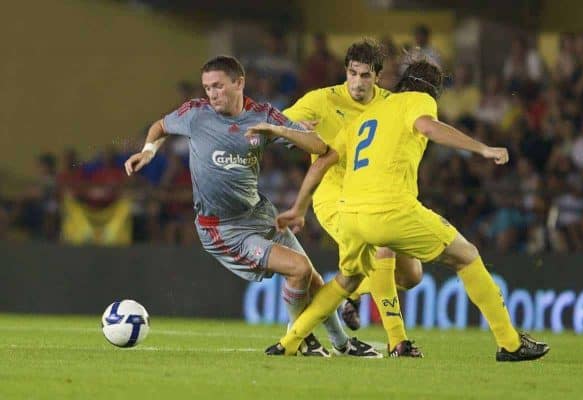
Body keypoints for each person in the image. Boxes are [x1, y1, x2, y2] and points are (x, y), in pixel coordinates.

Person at [266, 54, 550, 361]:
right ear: (432, 89)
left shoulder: (367, 115)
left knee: (351, 280)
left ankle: (290, 340)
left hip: (351, 213)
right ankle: (509, 343)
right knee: (467, 256)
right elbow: (428, 127)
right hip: (389, 210)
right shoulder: (419, 100)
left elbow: (324, 159)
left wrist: (298, 206)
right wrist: (482, 148)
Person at [124, 55, 380, 358]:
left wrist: (282, 131)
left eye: (218, 86)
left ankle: (342, 344)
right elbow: (160, 126)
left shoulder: (264, 116)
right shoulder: (195, 114)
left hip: (259, 214)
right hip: (223, 228)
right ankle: (299, 336)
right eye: (207, 88)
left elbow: (320, 148)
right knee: (298, 269)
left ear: (239, 83)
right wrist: (149, 151)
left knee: (311, 276)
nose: (212, 94)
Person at [282, 39, 423, 356]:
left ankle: (352, 293)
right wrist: (294, 128)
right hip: (334, 197)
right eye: (352, 74)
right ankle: (397, 341)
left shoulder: (390, 103)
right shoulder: (322, 100)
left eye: (365, 76)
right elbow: (280, 122)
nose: (357, 83)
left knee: (412, 276)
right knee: (382, 245)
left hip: (379, 194)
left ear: (377, 76)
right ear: (346, 72)